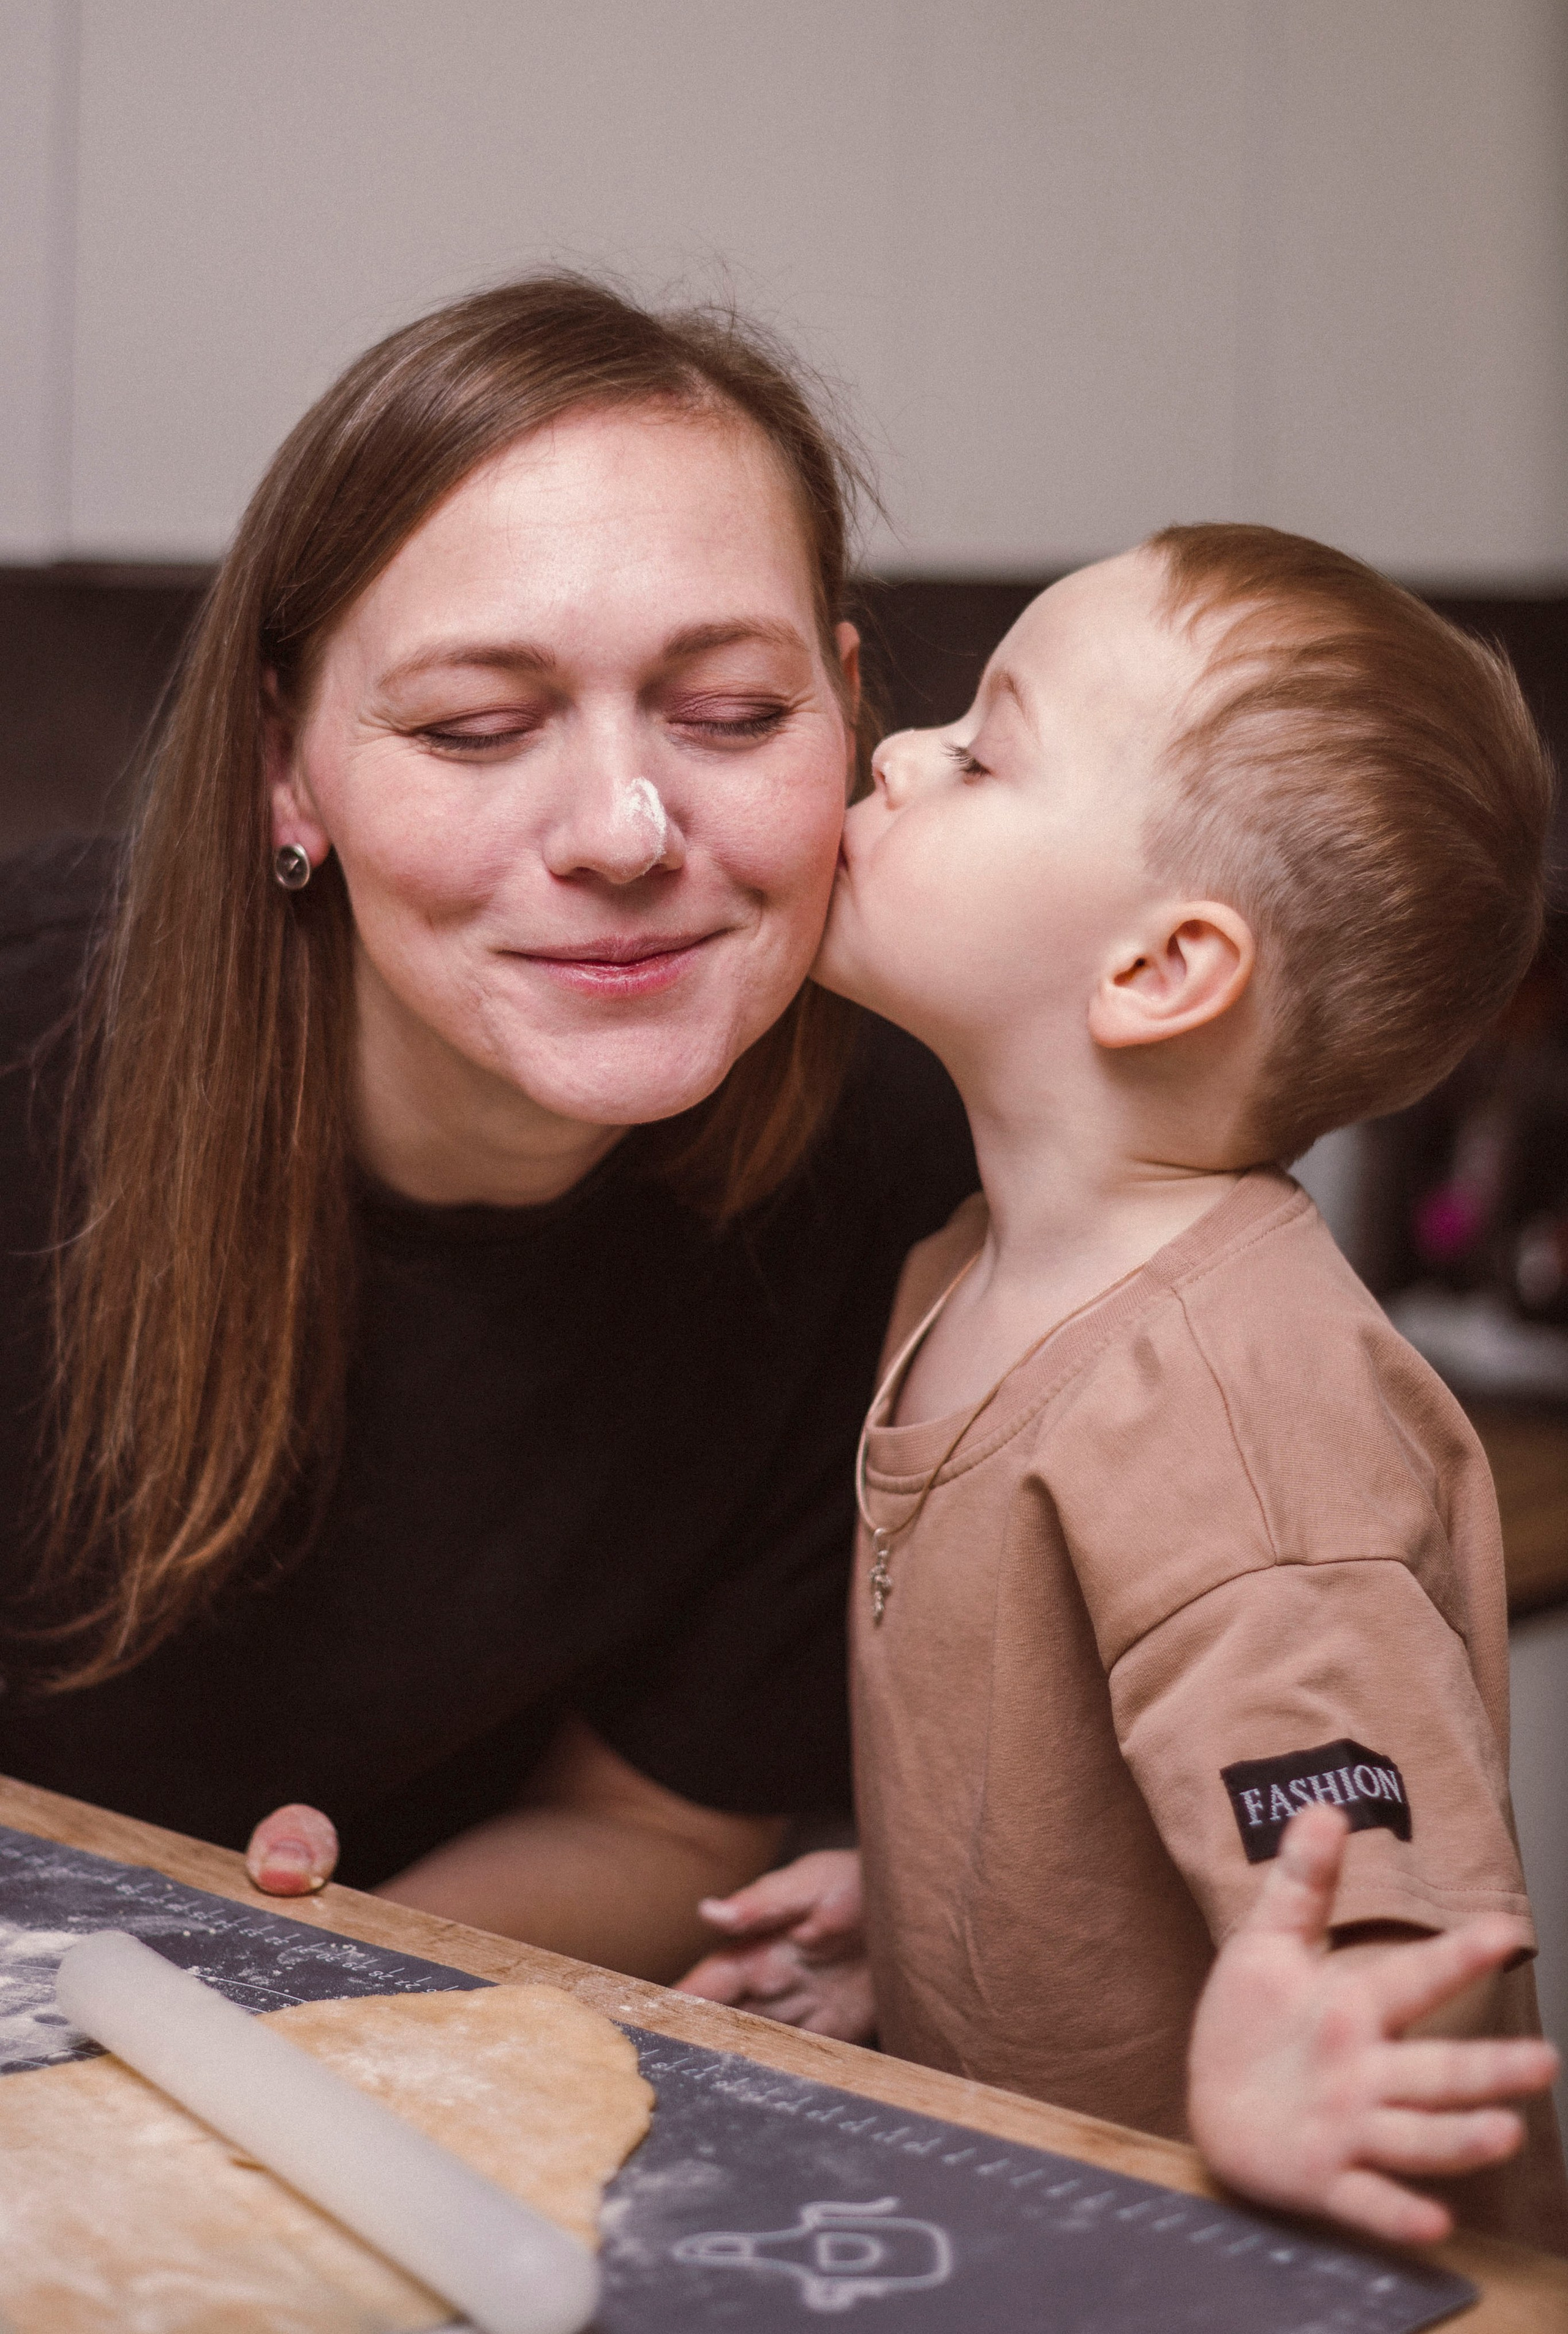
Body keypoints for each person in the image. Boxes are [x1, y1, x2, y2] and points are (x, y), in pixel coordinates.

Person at [0, 276, 976, 1982]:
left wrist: (283, 1977)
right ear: (284, 772)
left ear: (842, 708)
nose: (623, 826)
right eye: (474, 727)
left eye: (733, 712)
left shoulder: (886, 1160)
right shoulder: (28, 1044)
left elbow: (663, 1828)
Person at [680, 525, 1568, 2250]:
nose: (898, 750)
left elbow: (1393, 1920)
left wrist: (1324, 2066)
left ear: (1160, 971)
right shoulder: (969, 1269)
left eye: (987, 748)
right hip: (1060, 2239)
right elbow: (1122, 1780)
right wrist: (958, 1915)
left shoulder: (1224, 1410)